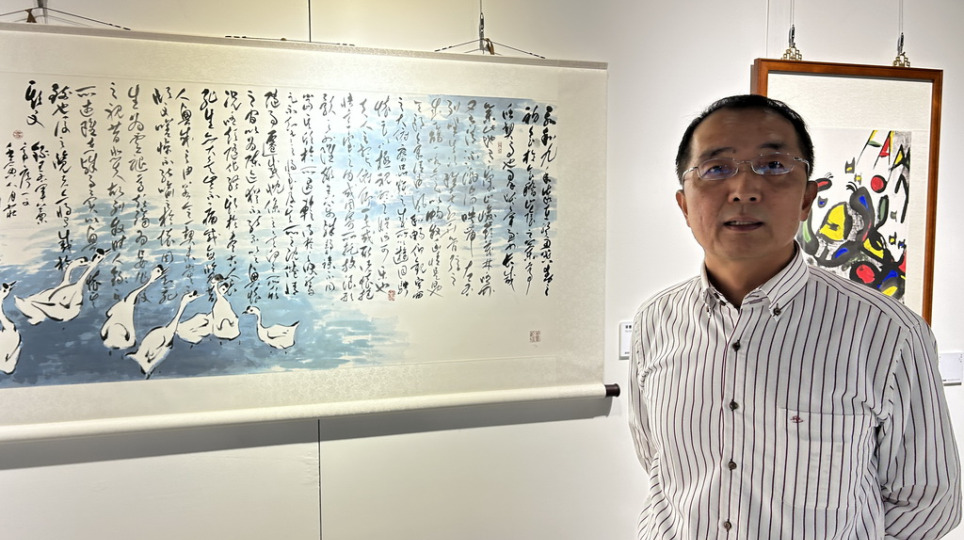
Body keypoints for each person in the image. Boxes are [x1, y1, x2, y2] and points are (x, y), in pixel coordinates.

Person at [628, 94, 961, 539]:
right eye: (716, 168)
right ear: (684, 204)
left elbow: (929, 501)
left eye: (772, 166)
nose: (744, 190)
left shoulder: (887, 333)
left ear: (807, 198)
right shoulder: (654, 322)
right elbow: (658, 462)